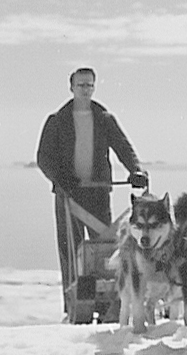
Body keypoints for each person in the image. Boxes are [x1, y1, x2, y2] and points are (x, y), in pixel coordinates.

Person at [36, 67, 147, 297]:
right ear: (71, 88)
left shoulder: (105, 119)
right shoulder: (57, 120)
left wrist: (136, 170)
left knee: (105, 249)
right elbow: (43, 157)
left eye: (89, 85)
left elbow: (123, 148)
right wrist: (60, 179)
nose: (85, 90)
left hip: (97, 193)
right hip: (68, 194)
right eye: (81, 85)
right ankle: (72, 306)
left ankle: (108, 301)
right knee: (70, 251)